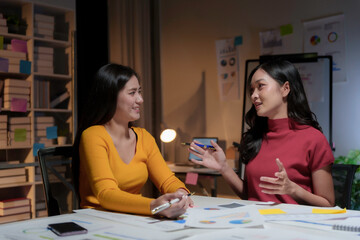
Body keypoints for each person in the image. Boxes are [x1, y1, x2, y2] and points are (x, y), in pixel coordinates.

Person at [189, 59, 335, 207]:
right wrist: (224, 168)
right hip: (255, 223)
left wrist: (293, 190)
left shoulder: (314, 139)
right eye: (252, 90)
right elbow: (251, 195)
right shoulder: (254, 137)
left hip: (292, 226)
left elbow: (328, 204)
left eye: (260, 86)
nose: (253, 95)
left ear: (285, 88)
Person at [73, 63, 193, 218]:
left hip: (134, 218)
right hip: (98, 219)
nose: (140, 99)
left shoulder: (144, 137)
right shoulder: (93, 136)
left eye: (139, 92)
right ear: (110, 96)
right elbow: (106, 194)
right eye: (132, 93)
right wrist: (153, 206)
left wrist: (181, 193)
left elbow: (168, 180)